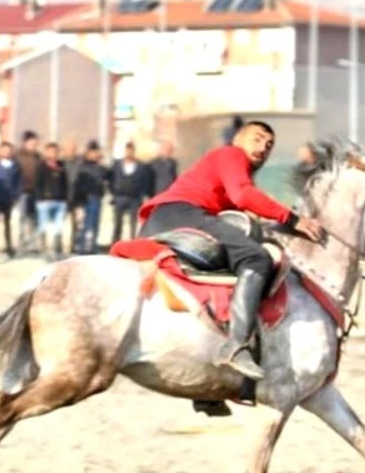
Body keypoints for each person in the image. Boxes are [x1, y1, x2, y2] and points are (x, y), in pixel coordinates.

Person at [139, 121, 325, 380]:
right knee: (255, 257)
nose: (263, 147)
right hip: (179, 215)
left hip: (165, 219)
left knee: (230, 263)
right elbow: (243, 196)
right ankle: (236, 346)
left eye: (269, 145)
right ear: (238, 139)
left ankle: (203, 368)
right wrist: (293, 220)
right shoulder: (231, 154)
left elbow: (240, 215)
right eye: (257, 139)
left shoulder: (233, 167)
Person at [110, 141, 154, 241]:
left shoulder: (141, 166)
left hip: (134, 198)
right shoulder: (117, 165)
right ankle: (115, 243)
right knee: (117, 223)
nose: (129, 153)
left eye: (131, 150)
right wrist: (114, 193)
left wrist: (142, 194)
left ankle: (133, 243)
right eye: (127, 150)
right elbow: (111, 179)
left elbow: (145, 181)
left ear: (134, 151)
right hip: (120, 197)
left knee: (133, 224)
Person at [70, 141, 108, 255]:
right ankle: (81, 248)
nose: (94, 154)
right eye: (92, 152)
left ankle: (92, 246)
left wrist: (102, 162)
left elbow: (107, 177)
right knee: (84, 226)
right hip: (85, 199)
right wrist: (78, 204)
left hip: (96, 199)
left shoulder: (100, 168)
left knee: (95, 225)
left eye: (96, 152)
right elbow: (77, 185)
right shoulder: (82, 167)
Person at [34, 142, 69, 261]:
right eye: (50, 151)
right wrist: (40, 199)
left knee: (58, 227)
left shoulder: (62, 167)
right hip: (44, 202)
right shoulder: (41, 167)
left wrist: (65, 199)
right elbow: (37, 184)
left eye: (55, 151)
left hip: (60, 201)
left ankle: (57, 251)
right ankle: (45, 251)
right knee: (44, 227)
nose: (53, 154)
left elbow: (65, 184)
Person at [15, 131, 42, 252]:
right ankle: (22, 243)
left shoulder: (38, 156)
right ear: (26, 142)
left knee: (34, 219)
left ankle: (32, 244)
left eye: (35, 142)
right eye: (32, 142)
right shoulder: (18, 156)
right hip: (22, 191)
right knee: (23, 217)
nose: (34, 144)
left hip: (36, 191)